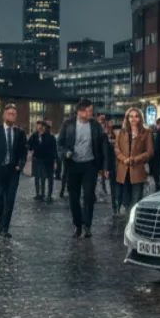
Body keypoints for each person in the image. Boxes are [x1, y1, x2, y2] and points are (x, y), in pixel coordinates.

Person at [56, 100, 107, 238]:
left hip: (90, 165)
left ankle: (87, 225)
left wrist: (104, 167)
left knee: (89, 196)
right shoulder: (68, 124)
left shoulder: (95, 125)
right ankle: (77, 225)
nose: (92, 113)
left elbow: (103, 146)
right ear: (80, 112)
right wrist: (66, 153)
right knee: (74, 197)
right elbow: (59, 144)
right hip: (72, 165)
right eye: (90, 111)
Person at [0, 104, 28, 238]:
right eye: (9, 113)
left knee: (10, 200)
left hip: (13, 171)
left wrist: (20, 166)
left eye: (14, 114)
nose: (12, 116)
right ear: (4, 115)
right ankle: (1, 223)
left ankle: (4, 227)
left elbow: (23, 152)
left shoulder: (20, 133)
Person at [115, 108, 151, 212]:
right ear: (127, 118)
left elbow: (149, 152)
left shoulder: (146, 132)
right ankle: (127, 219)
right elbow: (117, 149)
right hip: (124, 170)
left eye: (136, 116)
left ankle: (134, 220)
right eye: (131, 116)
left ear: (140, 118)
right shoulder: (121, 132)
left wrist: (134, 159)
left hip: (137, 169)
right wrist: (124, 159)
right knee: (125, 199)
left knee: (136, 199)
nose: (133, 119)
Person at [28, 122, 57, 202]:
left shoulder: (50, 137)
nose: (40, 128)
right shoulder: (34, 136)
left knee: (49, 178)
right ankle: (39, 194)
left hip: (48, 160)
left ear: (45, 128)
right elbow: (29, 145)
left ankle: (49, 195)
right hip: (37, 159)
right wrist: (31, 149)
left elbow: (54, 150)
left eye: (41, 127)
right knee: (38, 177)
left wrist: (55, 161)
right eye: (38, 127)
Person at [149, 119, 160, 192]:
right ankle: (157, 184)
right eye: (158, 124)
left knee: (157, 172)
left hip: (159, 156)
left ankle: (158, 184)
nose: (159, 126)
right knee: (156, 173)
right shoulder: (155, 133)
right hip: (155, 156)